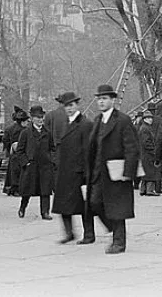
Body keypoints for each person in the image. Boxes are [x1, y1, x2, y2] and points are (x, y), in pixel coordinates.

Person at [86, 84, 139, 255]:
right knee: (94, 202)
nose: (101, 102)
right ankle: (111, 227)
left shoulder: (122, 120)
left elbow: (132, 147)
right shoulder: (97, 120)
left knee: (118, 208)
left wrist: (128, 173)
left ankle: (119, 242)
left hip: (116, 173)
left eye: (105, 98)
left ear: (112, 100)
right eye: (99, 99)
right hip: (98, 172)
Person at [51, 91, 95, 244]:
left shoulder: (85, 124)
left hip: (79, 172)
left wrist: (86, 174)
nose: (69, 109)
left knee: (84, 205)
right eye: (66, 106)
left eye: (71, 105)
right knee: (63, 205)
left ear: (77, 105)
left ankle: (89, 234)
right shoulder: (65, 123)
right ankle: (69, 233)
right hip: (64, 171)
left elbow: (87, 150)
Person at [17, 105, 54, 220]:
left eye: (41, 117)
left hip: (45, 166)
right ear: (32, 118)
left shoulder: (47, 132)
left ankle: (45, 212)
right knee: (27, 190)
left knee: (45, 190)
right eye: (37, 117)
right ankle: (22, 208)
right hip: (31, 167)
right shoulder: (26, 133)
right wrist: (25, 163)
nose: (40, 119)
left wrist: (51, 160)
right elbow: (20, 150)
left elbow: (53, 148)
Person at [2, 107, 28, 196]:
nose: (27, 123)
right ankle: (16, 189)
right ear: (22, 121)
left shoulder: (10, 128)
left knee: (12, 172)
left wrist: (9, 148)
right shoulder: (22, 130)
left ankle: (10, 189)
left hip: (12, 154)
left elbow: (5, 140)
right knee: (17, 172)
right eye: (26, 121)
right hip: (19, 153)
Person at [137, 111, 160, 196]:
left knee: (146, 172)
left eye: (151, 118)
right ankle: (150, 190)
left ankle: (143, 190)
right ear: (145, 119)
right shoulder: (145, 129)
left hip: (144, 154)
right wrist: (154, 151)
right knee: (150, 172)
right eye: (149, 118)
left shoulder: (144, 128)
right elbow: (146, 142)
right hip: (148, 154)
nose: (151, 120)